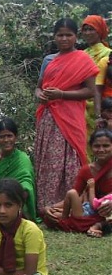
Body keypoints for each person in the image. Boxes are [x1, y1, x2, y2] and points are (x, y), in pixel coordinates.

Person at [34, 18, 99, 214]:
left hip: (71, 117)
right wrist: (42, 96)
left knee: (71, 158)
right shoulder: (49, 60)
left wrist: (62, 94)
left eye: (68, 35)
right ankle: (46, 204)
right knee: (49, 158)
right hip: (49, 116)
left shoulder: (83, 59)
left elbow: (90, 91)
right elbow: (38, 89)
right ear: (54, 37)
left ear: (75, 37)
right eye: (60, 35)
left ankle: (72, 205)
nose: (64, 39)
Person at [44, 129, 112, 236]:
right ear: (91, 147)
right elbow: (74, 194)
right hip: (91, 213)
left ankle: (98, 225)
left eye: (106, 146)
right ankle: (95, 225)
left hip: (108, 213)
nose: (101, 149)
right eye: (97, 146)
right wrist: (49, 208)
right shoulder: (86, 170)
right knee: (52, 216)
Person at [81, 15, 110, 136]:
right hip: (81, 105)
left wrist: (99, 114)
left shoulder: (108, 54)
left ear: (100, 30)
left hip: (102, 106)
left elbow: (102, 85)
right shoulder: (81, 54)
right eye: (85, 29)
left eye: (91, 29)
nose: (87, 33)